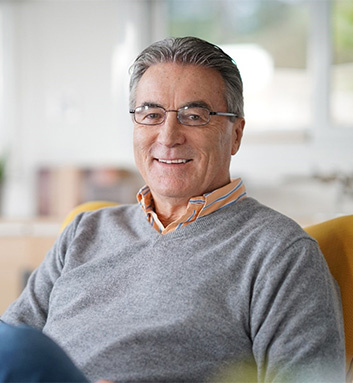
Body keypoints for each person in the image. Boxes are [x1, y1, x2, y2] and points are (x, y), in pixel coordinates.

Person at [0, 36, 345, 383]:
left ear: (236, 134)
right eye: (151, 114)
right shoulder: (83, 231)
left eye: (194, 116)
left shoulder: (280, 253)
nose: (168, 136)